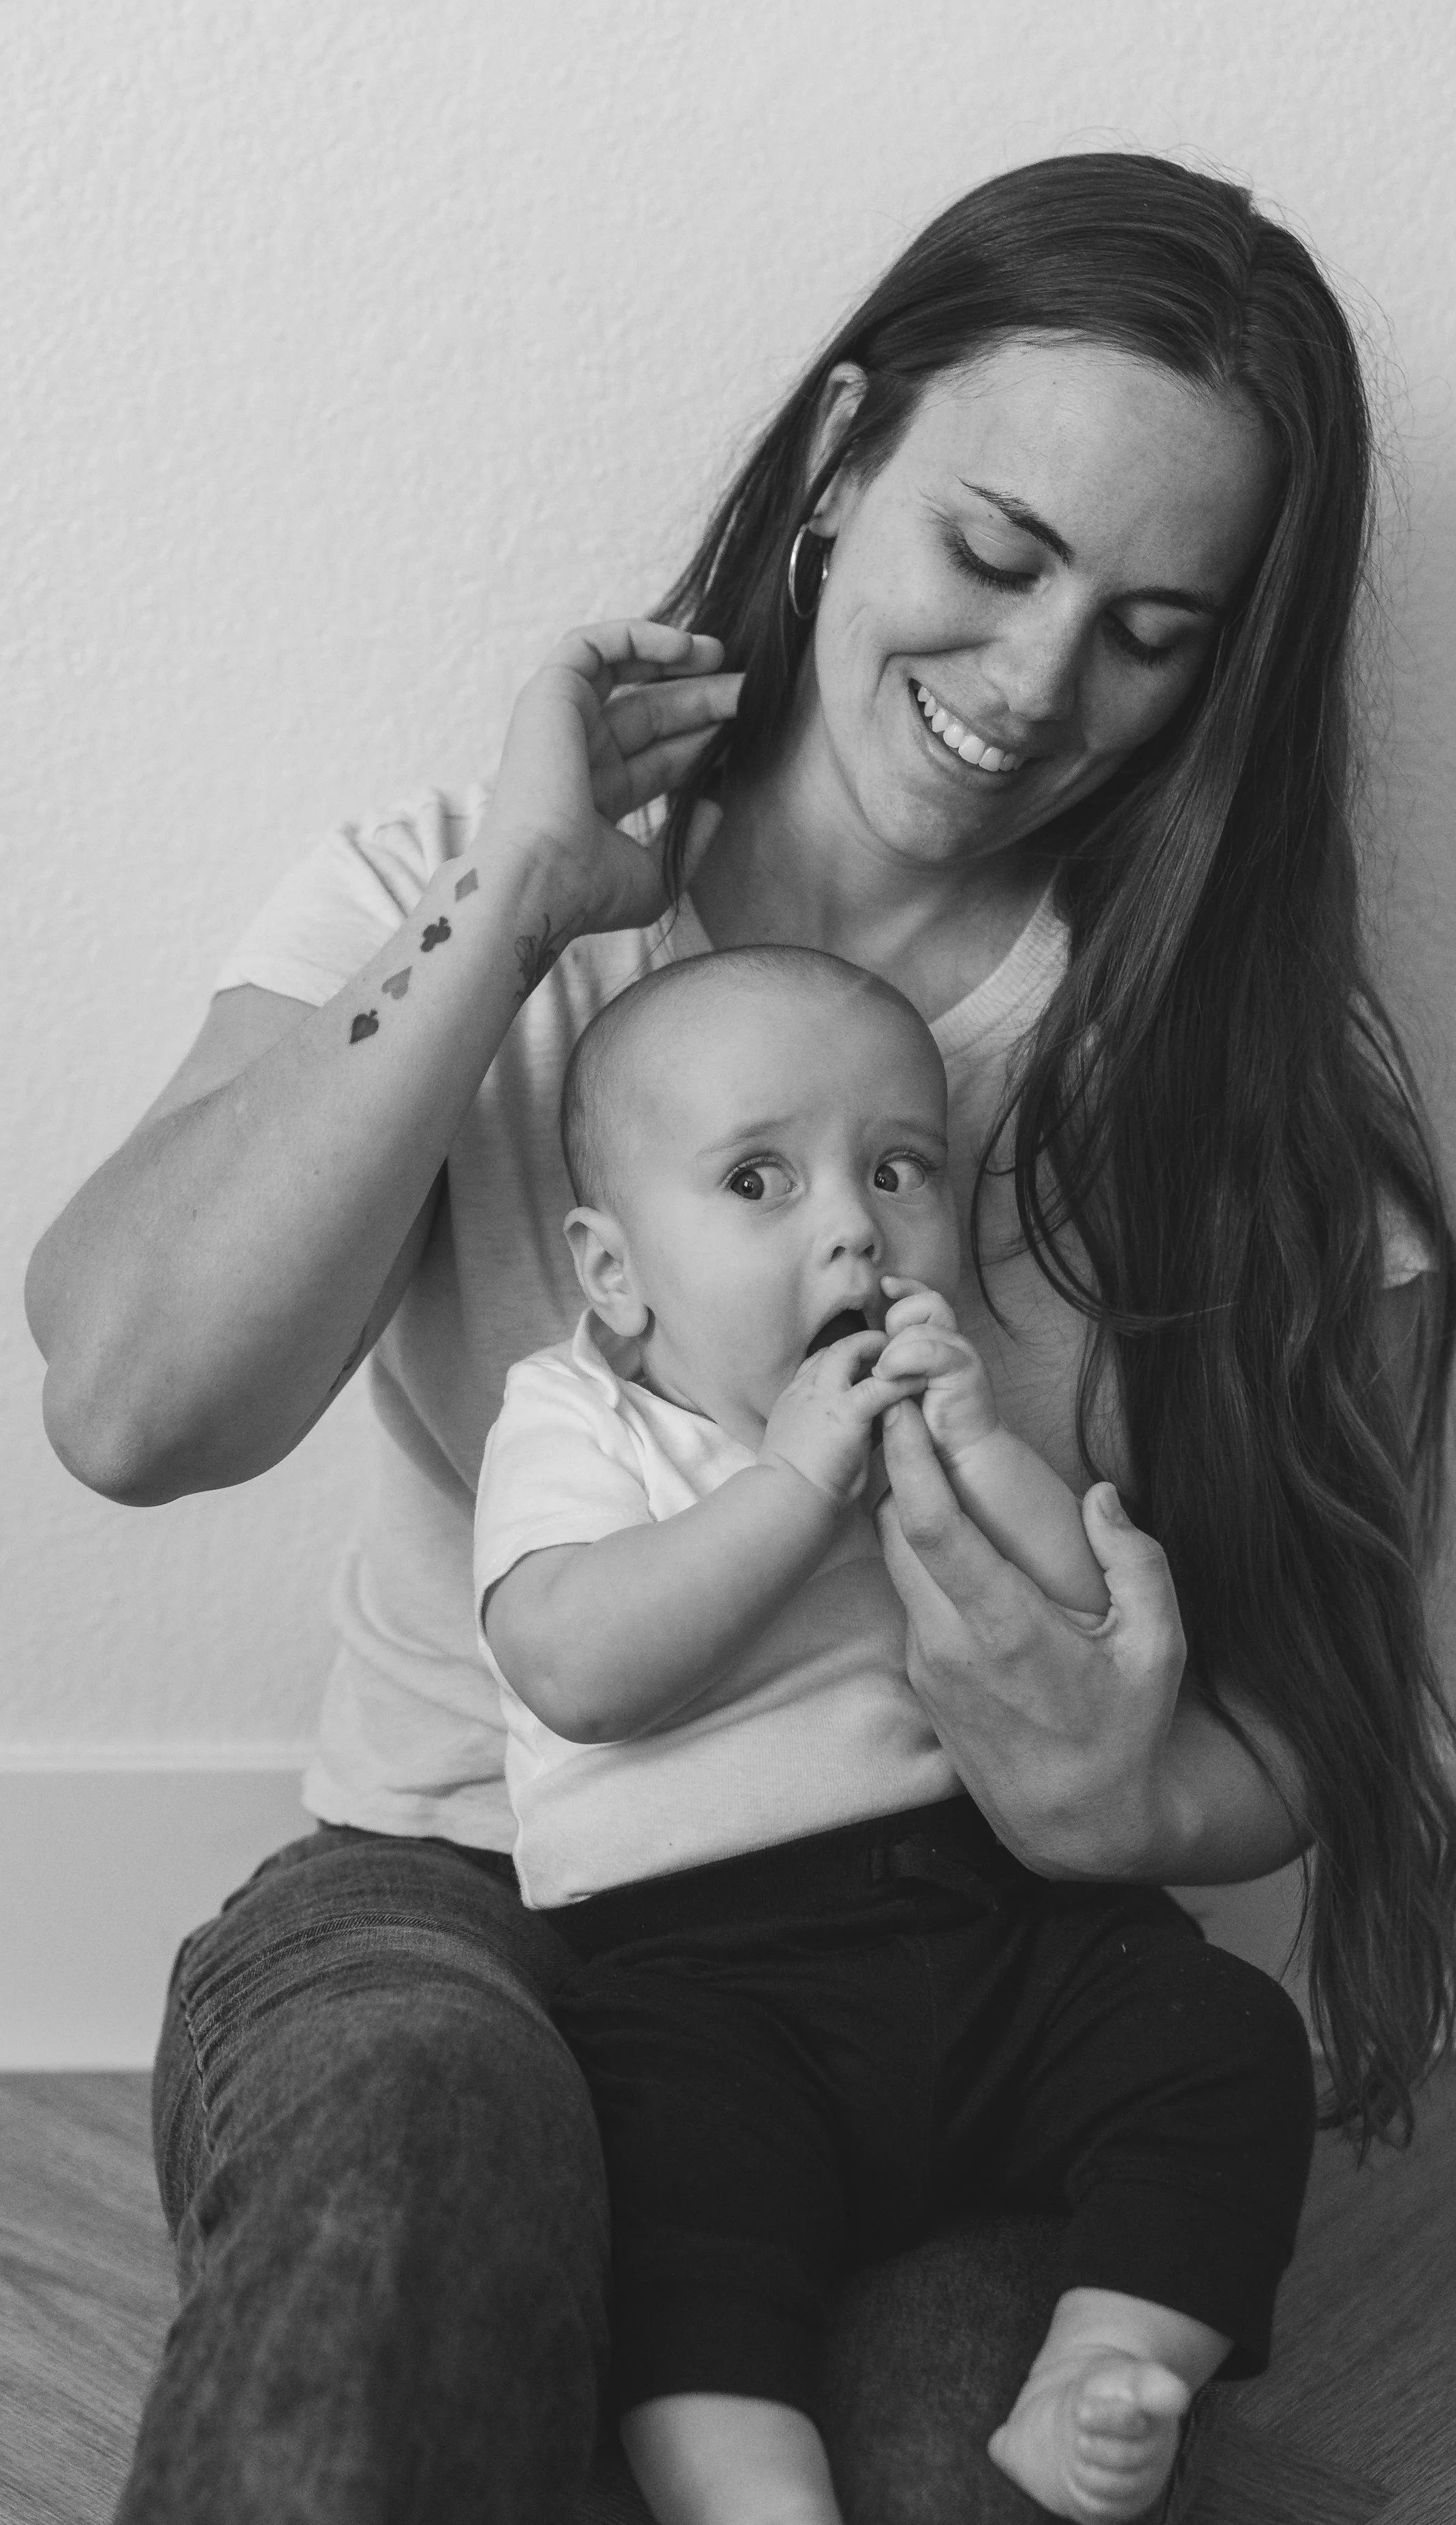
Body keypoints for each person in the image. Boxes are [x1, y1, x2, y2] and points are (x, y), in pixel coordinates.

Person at [25, 152, 1456, 2524]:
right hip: (449, 1904)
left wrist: (1112, 1800)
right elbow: (131, 1401)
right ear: (836, 465)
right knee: (403, 2189)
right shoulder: (451, 900)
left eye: (1150, 629)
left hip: (958, 1964)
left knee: (957, 2473)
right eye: (994, 557)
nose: (1031, 686)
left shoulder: (1242, 1107)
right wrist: (516, 918)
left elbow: (1304, 1734)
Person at [475, 943, 1316, 2525]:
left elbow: (1090, 1635)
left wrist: (988, 1453)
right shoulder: (583, 1423)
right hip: (707, 1971)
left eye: (897, 1169)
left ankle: (1103, 2366)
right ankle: (749, 2494)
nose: (853, 1225)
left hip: (996, 1920)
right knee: (674, 2217)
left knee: (1219, 2042)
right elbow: (571, 1667)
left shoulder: (948, 1414)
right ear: (611, 1272)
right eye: (757, 1180)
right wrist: (789, 1488)